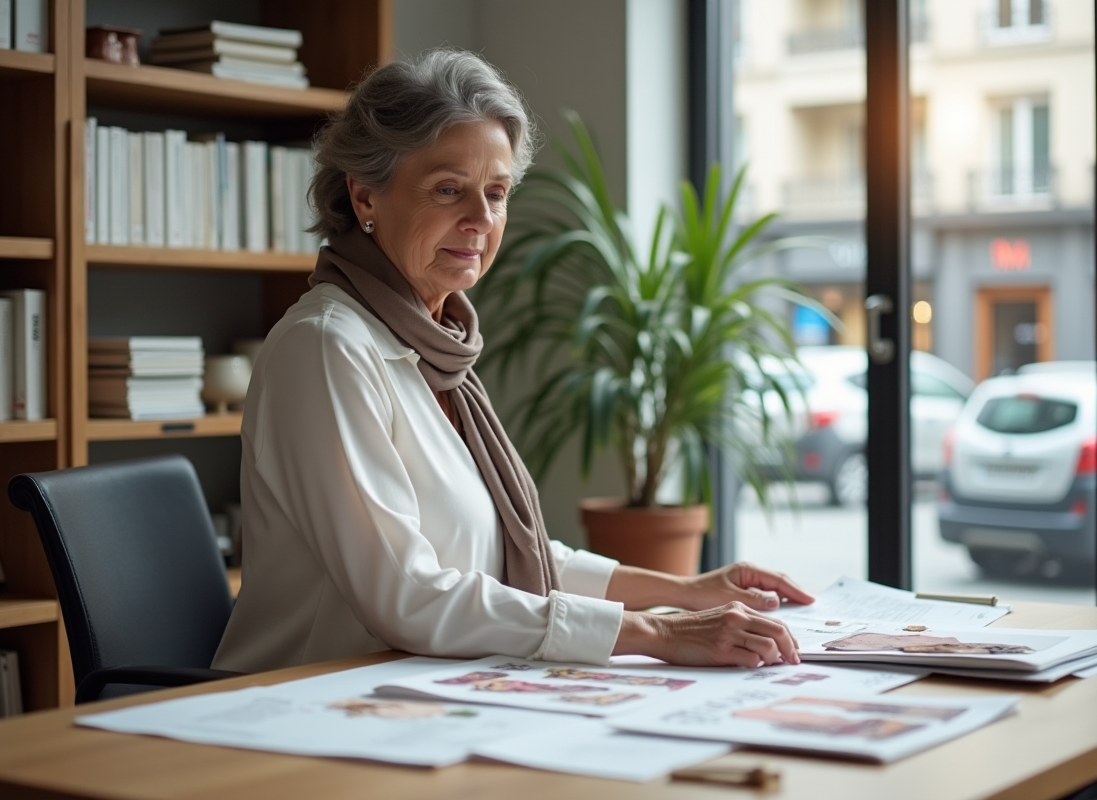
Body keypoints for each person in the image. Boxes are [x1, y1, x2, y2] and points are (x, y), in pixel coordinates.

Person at [212, 49, 815, 675]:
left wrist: (685, 592)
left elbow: (505, 553)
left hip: (422, 690)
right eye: (448, 189)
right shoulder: (327, 346)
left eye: (496, 193)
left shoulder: (434, 345)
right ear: (364, 196)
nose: (480, 220)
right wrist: (656, 634)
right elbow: (405, 594)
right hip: (312, 707)